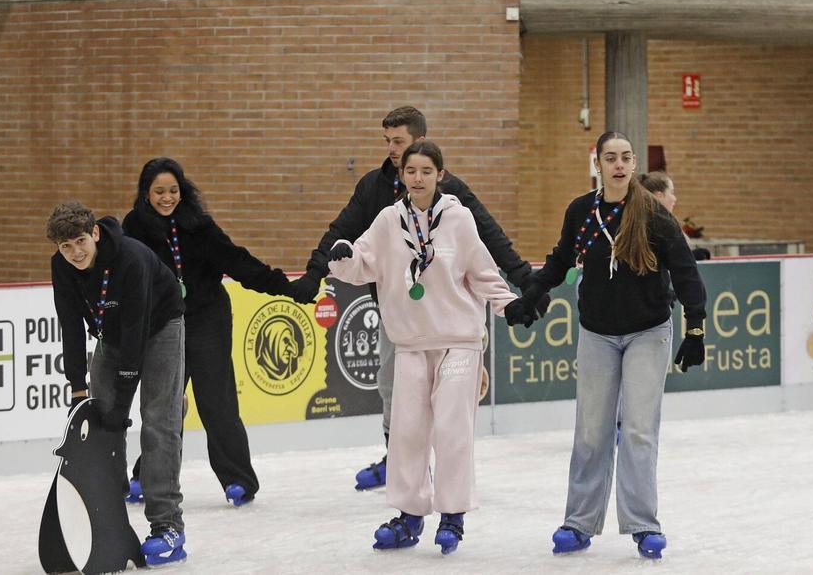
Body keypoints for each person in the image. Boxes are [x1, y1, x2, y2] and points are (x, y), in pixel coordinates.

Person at [288, 106, 541, 491]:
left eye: (399, 142)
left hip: (450, 321)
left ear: (420, 143)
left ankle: (446, 483)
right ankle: (401, 463)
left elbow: (488, 236)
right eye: (387, 142)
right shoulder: (374, 188)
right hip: (400, 315)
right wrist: (314, 270)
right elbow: (343, 230)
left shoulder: (451, 194)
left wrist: (523, 277)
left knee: (449, 405)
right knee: (393, 391)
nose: (391, 149)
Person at [503, 132, 707, 560]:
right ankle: (579, 522)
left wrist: (696, 328)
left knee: (636, 429)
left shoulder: (652, 213)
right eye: (609, 158)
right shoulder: (581, 210)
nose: (618, 165)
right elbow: (560, 261)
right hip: (597, 333)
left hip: (647, 332)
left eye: (625, 158)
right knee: (592, 431)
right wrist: (531, 294)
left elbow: (686, 271)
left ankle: (643, 524)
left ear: (633, 164)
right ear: (598, 163)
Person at [326, 141, 525, 554]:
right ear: (402, 176)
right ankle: (409, 515)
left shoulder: (459, 219)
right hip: (411, 345)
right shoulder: (387, 221)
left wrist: (510, 305)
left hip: (458, 343)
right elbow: (362, 261)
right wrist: (342, 259)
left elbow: (482, 272)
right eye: (410, 171)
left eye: (426, 171)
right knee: (407, 433)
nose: (417, 178)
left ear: (440, 175)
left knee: (452, 430)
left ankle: (452, 516)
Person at [122, 157, 293, 507]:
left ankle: (239, 480)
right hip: (163, 324)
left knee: (217, 400)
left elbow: (235, 259)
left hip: (207, 318)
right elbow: (127, 278)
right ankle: (147, 475)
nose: (167, 198)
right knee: (164, 406)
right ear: (146, 193)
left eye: (173, 190)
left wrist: (282, 284)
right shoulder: (134, 228)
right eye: (159, 192)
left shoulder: (198, 224)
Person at [47, 201, 188, 566]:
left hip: (160, 326)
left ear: (94, 233)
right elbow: (70, 326)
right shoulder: (62, 267)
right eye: (65, 247)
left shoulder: (131, 257)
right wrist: (78, 387)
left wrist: (126, 388)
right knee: (102, 420)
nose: (75, 253)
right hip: (111, 335)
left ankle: (168, 526)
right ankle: (108, 512)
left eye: (80, 241)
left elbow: (136, 327)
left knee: (158, 421)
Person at [639, 171, 710, 260]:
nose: (674, 198)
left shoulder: (639, 222)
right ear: (659, 196)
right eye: (672, 193)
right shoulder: (663, 227)